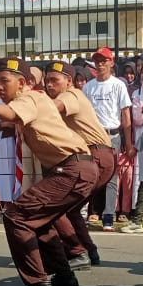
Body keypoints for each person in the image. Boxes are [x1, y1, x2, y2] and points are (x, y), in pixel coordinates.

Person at [0, 56, 97, 286]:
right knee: (39, 221)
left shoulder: (29, 98)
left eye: (4, 81)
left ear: (22, 83)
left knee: (16, 216)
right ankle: (62, 278)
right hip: (74, 167)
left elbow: (10, 113)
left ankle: (38, 284)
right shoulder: (34, 98)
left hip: (72, 168)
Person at [43, 60, 113, 267]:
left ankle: (77, 252)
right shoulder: (68, 94)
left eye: (54, 80)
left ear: (69, 80)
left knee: (57, 206)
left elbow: (53, 109)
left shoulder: (71, 95)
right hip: (96, 156)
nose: (49, 85)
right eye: (47, 81)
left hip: (95, 155)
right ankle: (88, 251)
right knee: (70, 208)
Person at [81, 47, 133, 231]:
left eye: (104, 60)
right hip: (94, 136)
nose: (100, 64)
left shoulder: (118, 85)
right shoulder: (88, 87)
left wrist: (128, 142)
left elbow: (125, 114)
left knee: (111, 177)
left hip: (113, 135)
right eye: (97, 61)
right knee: (91, 175)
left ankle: (109, 215)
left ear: (111, 63)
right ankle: (90, 212)